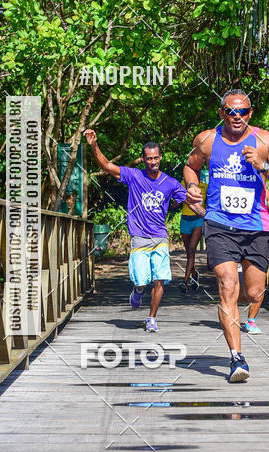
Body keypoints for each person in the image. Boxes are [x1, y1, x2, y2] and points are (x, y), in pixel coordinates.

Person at [183, 90, 269, 382]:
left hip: (256, 226)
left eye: (242, 111)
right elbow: (190, 166)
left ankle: (240, 301)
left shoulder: (265, 141)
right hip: (219, 224)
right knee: (227, 285)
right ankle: (237, 358)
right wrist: (192, 187)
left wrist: (263, 165)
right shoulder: (208, 140)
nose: (237, 117)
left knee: (254, 293)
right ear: (222, 113)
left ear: (250, 113)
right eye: (231, 111)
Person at [84, 130, 197, 332]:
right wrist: (94, 145)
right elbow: (107, 166)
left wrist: (209, 215)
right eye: (149, 158)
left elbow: (189, 202)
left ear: (160, 158)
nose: (153, 162)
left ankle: (152, 318)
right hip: (139, 237)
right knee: (141, 280)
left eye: (156, 158)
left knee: (159, 280)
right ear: (143, 159)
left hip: (160, 237)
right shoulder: (134, 175)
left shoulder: (170, 183)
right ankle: (137, 290)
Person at [241, 188, 269, 334]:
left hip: (258, 235)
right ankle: (229, 315)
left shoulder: (263, 189)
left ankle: (251, 320)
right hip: (232, 233)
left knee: (255, 288)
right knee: (231, 284)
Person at [179, 166, 208, 293]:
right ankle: (194, 273)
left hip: (198, 220)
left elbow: (209, 203)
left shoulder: (205, 187)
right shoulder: (182, 185)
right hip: (185, 220)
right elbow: (175, 204)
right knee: (188, 252)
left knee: (191, 250)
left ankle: (185, 281)